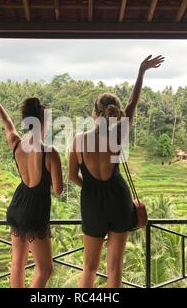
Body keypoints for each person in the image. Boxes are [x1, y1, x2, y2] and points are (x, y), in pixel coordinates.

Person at [68, 55, 165, 288]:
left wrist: (90, 187)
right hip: (119, 199)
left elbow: (72, 176)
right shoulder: (118, 134)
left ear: (94, 112)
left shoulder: (79, 140)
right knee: (115, 267)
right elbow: (132, 104)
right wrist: (141, 72)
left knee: (89, 267)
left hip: (92, 202)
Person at [0, 83, 63, 288]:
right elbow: (58, 190)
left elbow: (6, 121)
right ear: (42, 122)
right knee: (45, 269)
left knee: (18, 263)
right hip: (35, 211)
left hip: (17, 205)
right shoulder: (50, 152)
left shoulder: (16, 143)